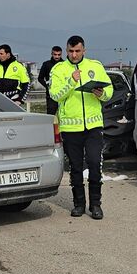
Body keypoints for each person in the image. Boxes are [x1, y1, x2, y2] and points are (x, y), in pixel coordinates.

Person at [50, 35, 112, 219]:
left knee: (94, 163)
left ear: (84, 50)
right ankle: (79, 204)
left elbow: (109, 92)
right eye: (71, 51)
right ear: (66, 50)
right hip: (70, 128)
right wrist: (71, 82)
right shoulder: (59, 69)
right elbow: (55, 95)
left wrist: (101, 94)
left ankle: (96, 205)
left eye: (78, 51)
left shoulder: (95, 66)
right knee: (76, 168)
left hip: (93, 125)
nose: (74, 54)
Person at [37, 45, 63, 116]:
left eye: (59, 55)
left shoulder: (65, 64)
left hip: (63, 94)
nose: (57, 56)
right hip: (51, 96)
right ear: (51, 54)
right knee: (51, 117)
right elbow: (40, 78)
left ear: (61, 54)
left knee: (64, 116)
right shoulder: (46, 64)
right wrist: (47, 86)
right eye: (55, 54)